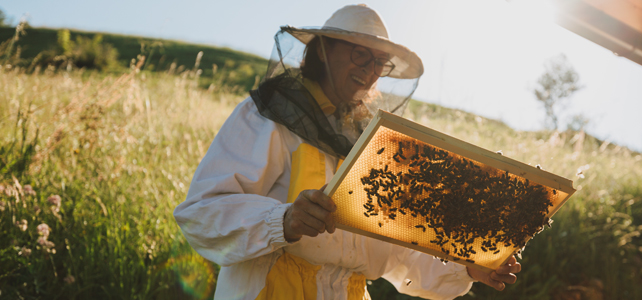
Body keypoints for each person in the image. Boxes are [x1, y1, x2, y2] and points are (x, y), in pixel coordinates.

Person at [174, 4, 521, 300]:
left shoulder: (377, 144)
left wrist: (467, 267)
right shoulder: (266, 116)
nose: (370, 71)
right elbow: (201, 214)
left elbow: (401, 255)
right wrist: (283, 220)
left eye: (380, 62)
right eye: (360, 54)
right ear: (323, 50)